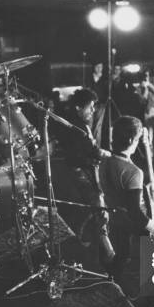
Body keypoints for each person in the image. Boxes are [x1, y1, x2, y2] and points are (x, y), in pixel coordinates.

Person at [99, 116, 154, 281]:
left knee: (122, 254)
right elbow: (136, 213)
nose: (138, 143)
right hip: (130, 221)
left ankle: (113, 278)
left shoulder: (106, 160)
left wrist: (148, 193)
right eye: (137, 139)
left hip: (115, 217)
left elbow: (120, 190)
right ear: (131, 140)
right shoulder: (134, 172)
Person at [54, 88, 114, 263]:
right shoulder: (76, 128)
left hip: (82, 170)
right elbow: (92, 151)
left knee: (95, 206)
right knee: (98, 205)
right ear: (78, 108)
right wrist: (108, 154)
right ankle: (106, 248)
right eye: (90, 107)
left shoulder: (79, 124)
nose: (93, 110)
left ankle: (90, 240)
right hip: (81, 172)